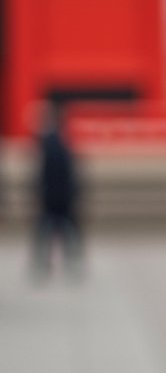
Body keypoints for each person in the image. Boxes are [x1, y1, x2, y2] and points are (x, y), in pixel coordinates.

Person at [32, 98, 83, 278]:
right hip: (61, 197)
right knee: (64, 233)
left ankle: (47, 265)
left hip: (55, 197)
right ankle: (68, 264)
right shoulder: (60, 140)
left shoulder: (51, 142)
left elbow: (46, 173)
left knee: (50, 233)